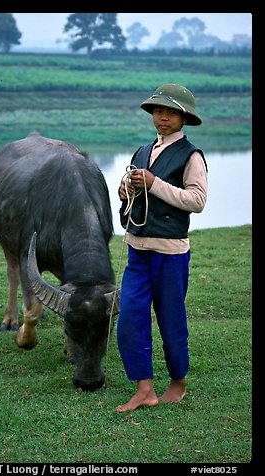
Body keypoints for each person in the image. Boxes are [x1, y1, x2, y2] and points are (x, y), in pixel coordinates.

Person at [116, 83, 208, 412]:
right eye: (158, 111)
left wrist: (154, 184)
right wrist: (126, 190)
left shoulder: (191, 155)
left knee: (170, 319)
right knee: (129, 316)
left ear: (184, 118)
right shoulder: (141, 152)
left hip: (171, 253)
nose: (163, 118)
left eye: (170, 112)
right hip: (137, 249)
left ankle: (178, 382)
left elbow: (196, 201)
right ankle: (144, 389)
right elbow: (130, 195)